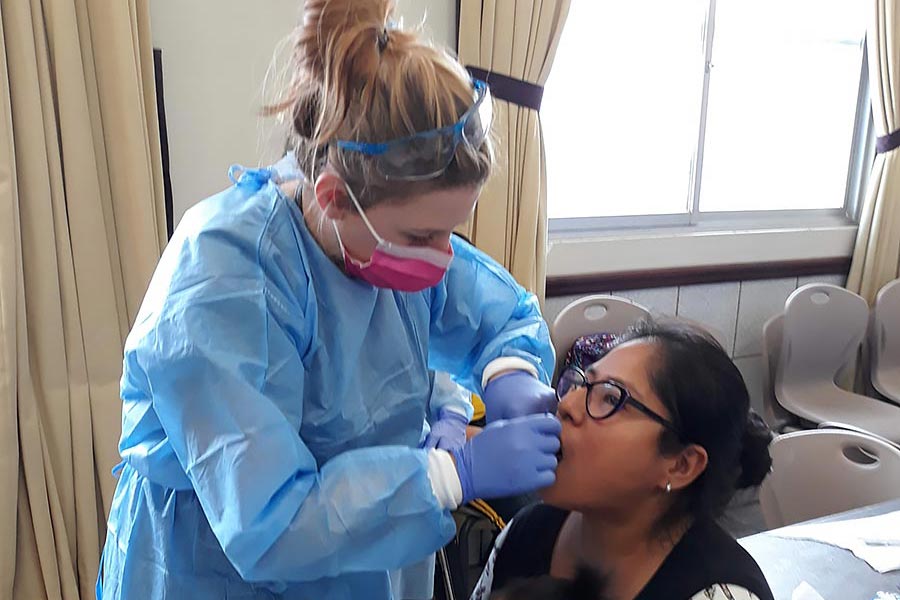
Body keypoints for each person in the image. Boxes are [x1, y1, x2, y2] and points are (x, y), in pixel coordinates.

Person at [96, 1, 564, 598]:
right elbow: (269, 524)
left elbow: (502, 314)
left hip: (364, 553)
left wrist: (511, 374)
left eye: (454, 229)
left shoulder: (381, 228)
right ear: (334, 196)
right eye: (422, 236)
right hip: (221, 572)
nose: (445, 258)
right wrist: (451, 475)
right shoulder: (224, 280)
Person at [472, 320, 776, 600]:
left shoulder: (719, 592)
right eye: (581, 385)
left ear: (681, 464)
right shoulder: (525, 533)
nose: (567, 405)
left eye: (611, 398)